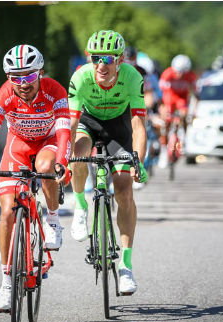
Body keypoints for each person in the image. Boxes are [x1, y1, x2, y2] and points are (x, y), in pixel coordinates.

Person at [0, 44, 71, 311]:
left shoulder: (55, 91)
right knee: (7, 212)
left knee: (43, 165)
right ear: (8, 77)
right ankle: (6, 283)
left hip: (48, 143)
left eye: (28, 76)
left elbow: (64, 134)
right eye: (15, 77)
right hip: (18, 146)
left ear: (40, 73)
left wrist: (62, 163)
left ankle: (52, 220)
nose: (22, 83)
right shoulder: (4, 94)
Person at [68, 30, 148, 295]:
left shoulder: (132, 77)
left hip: (119, 128)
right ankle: (80, 206)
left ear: (120, 60)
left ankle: (126, 266)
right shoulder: (81, 77)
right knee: (77, 153)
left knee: (124, 189)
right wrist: (63, 157)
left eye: (109, 59)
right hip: (88, 124)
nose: (101, 65)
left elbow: (138, 125)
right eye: (96, 58)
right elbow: (70, 122)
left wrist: (140, 161)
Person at [158, 54, 197, 168]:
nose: (179, 74)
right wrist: (163, 108)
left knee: (185, 114)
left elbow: (195, 93)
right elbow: (161, 93)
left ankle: (184, 138)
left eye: (182, 72)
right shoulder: (167, 73)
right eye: (177, 71)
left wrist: (193, 111)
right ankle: (164, 150)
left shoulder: (191, 76)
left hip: (182, 97)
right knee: (166, 121)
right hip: (170, 96)